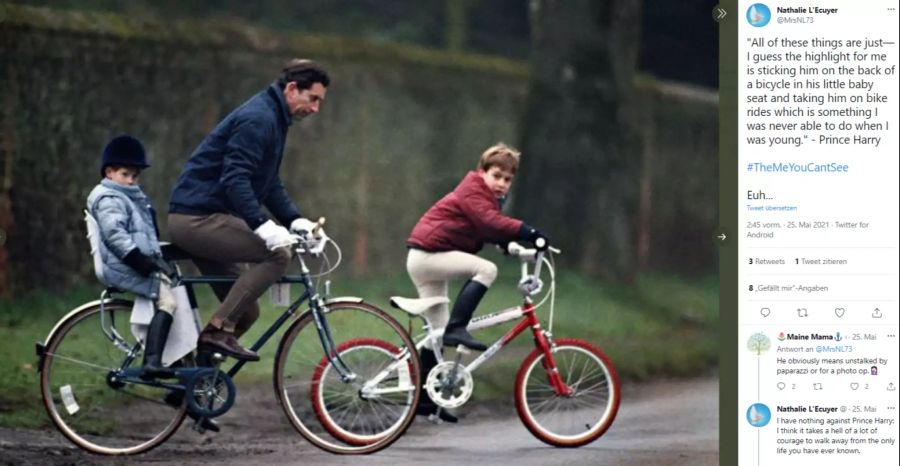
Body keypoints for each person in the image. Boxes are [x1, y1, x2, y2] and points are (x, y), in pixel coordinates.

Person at [167, 59, 329, 362]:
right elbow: (236, 179)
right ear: (293, 89)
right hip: (196, 219)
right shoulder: (259, 119)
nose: (316, 108)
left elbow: (267, 184)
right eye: (313, 99)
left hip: (207, 217)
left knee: (244, 313)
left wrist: (296, 221)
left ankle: (189, 380)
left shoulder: (274, 118)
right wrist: (262, 225)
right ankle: (215, 332)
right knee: (278, 254)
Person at [405, 142, 548, 421]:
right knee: (486, 270)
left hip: (428, 258)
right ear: (481, 172)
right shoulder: (472, 189)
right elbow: (489, 222)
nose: (501, 184)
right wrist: (528, 231)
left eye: (507, 180)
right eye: (496, 175)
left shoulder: (486, 198)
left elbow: (488, 230)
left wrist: (514, 247)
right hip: (428, 256)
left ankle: (423, 401)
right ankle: (458, 328)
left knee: (436, 335)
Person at [86, 135, 176, 380]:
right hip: (126, 264)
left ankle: (180, 366)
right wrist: (144, 263)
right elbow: (116, 236)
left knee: (179, 297)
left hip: (135, 262)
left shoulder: (128, 197)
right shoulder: (109, 198)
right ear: (109, 172)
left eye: (135, 176)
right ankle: (152, 363)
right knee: (169, 302)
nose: (131, 180)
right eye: (125, 174)